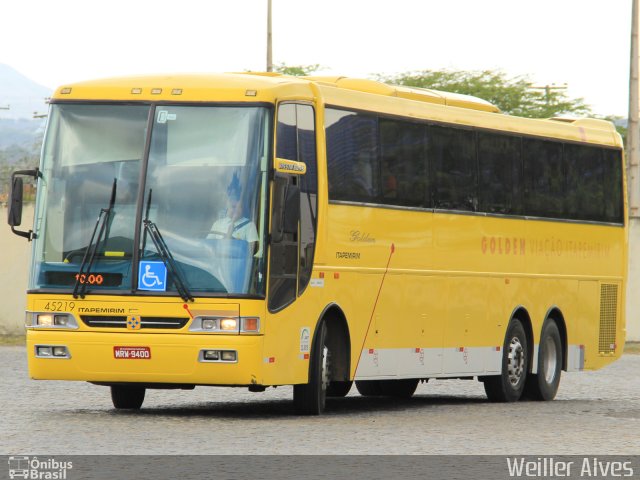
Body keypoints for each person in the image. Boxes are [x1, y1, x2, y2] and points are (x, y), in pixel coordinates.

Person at [208, 175, 259, 248]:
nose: (237, 210)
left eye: (240, 207)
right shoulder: (217, 224)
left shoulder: (249, 225)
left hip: (239, 259)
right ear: (227, 207)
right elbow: (209, 245)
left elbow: (252, 248)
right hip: (218, 258)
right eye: (234, 207)